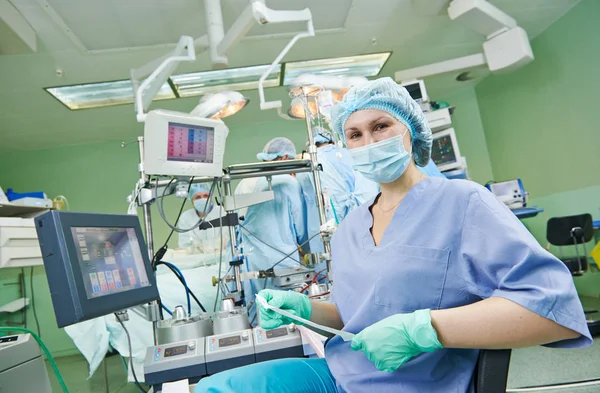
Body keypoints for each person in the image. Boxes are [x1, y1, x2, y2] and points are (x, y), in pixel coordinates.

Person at [195, 77, 591, 393]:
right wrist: (303, 309)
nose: (368, 143)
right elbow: (359, 315)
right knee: (216, 387)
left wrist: (425, 329)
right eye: (354, 135)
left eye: (380, 126)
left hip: (418, 384)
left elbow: (552, 309)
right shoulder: (351, 226)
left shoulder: (463, 202)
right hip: (341, 373)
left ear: (411, 132)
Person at [235, 137, 308, 322]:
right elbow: (300, 225)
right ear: (285, 158)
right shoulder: (289, 183)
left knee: (261, 312)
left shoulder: (246, 181)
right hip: (282, 257)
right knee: (288, 313)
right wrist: (306, 248)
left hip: (252, 261)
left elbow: (237, 222)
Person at [178, 183, 228, 265]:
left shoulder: (222, 212)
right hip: (198, 263)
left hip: (222, 261)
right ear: (191, 200)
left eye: (205, 196)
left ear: (210, 197)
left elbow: (227, 241)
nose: (202, 199)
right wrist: (213, 246)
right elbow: (186, 246)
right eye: (198, 197)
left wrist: (202, 247)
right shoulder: (186, 218)